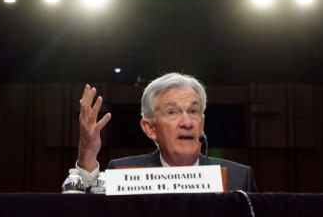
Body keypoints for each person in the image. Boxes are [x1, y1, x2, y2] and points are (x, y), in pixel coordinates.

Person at [76, 72, 258, 192]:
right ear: (150, 128)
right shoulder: (123, 174)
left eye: (193, 111)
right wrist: (88, 154)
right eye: (172, 112)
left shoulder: (238, 177)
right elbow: (89, 211)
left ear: (202, 122)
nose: (187, 122)